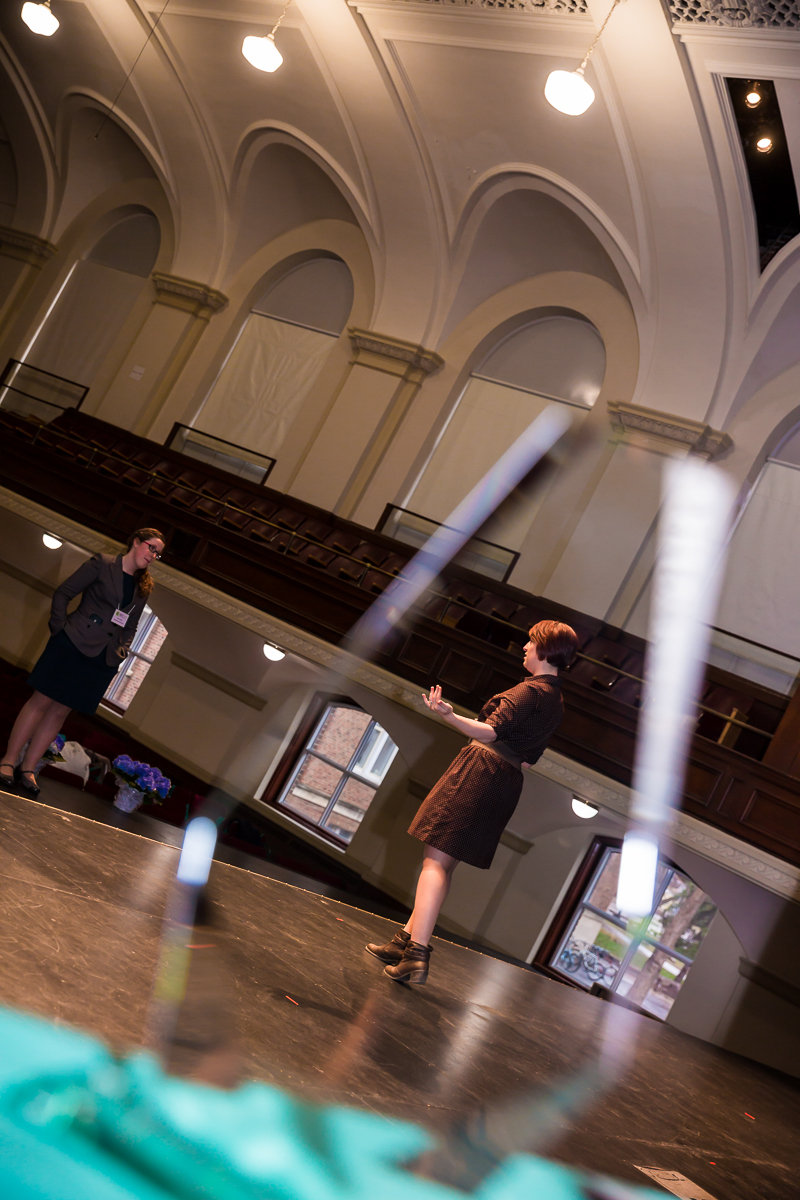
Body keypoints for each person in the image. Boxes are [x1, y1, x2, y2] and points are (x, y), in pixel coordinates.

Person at [366, 619, 578, 985]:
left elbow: (490, 731)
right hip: (505, 780)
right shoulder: (555, 700)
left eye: (530, 642)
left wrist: (449, 715)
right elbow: (528, 758)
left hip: (480, 772)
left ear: (545, 649)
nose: (525, 648)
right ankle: (405, 941)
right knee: (443, 865)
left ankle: (417, 955)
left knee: (434, 861)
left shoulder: (530, 691)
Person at [0, 528, 165, 797]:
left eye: (158, 553)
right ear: (135, 542)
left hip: (102, 659)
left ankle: (28, 769)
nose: (153, 555)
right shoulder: (102, 563)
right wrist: (59, 630)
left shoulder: (142, 587)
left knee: (60, 712)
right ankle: (8, 760)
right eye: (151, 547)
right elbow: (64, 593)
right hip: (71, 643)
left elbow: (131, 627)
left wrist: (120, 653)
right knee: (40, 702)